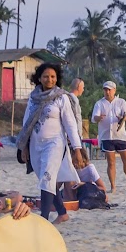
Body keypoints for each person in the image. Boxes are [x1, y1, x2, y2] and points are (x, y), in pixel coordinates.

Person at [18, 62, 84, 223]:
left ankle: (44, 219)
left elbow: (70, 125)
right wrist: (24, 147)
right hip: (35, 145)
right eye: (46, 76)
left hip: (55, 143)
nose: (49, 79)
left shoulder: (61, 97)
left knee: (47, 178)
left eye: (53, 76)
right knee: (47, 181)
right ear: (39, 78)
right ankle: (62, 213)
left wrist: (77, 149)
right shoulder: (33, 98)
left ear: (57, 78)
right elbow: (27, 123)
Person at [90, 80, 126, 196]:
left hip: (120, 135)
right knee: (111, 162)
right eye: (105, 89)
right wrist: (99, 118)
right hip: (106, 136)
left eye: (109, 89)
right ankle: (113, 186)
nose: (107, 92)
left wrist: (123, 118)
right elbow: (94, 118)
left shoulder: (121, 102)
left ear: (114, 90)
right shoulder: (99, 103)